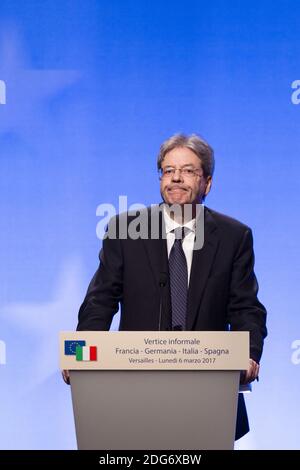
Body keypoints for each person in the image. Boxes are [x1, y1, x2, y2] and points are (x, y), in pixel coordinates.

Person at [63, 133, 267, 440]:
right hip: (134, 390)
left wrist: (249, 354)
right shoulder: (125, 230)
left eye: (187, 171)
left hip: (208, 394)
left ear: (207, 183)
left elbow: (245, 306)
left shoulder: (233, 236)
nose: (176, 179)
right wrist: (78, 355)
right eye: (168, 170)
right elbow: (100, 300)